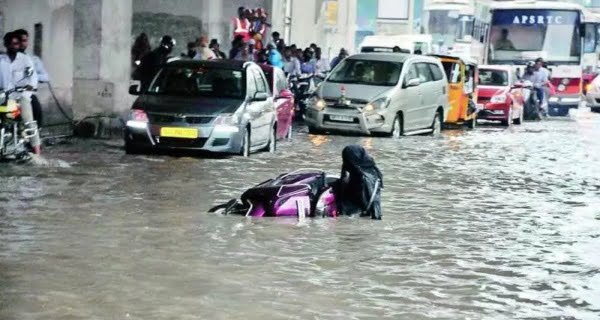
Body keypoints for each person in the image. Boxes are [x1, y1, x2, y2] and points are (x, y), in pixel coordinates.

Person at [0, 32, 41, 154]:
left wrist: (28, 90)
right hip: (4, 96)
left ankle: (37, 151)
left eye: (16, 43)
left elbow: (33, 78)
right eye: (11, 44)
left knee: (28, 120)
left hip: (21, 96)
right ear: (6, 45)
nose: (14, 46)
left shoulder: (25, 59)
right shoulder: (1, 60)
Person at [335, 145, 383, 220]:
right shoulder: (371, 169)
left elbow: (372, 200)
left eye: (347, 158)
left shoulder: (361, 177)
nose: (345, 161)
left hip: (356, 212)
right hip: (363, 211)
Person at [13, 29, 48, 127]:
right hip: (8, 94)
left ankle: (34, 134)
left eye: (24, 40)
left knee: (34, 107)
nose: (22, 43)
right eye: (19, 40)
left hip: (25, 94)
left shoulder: (33, 59)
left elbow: (46, 77)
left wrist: (32, 75)